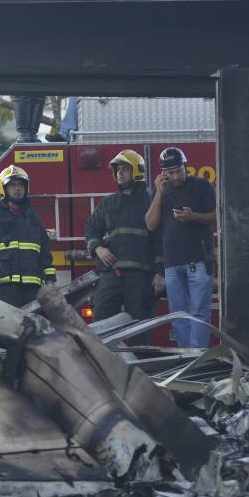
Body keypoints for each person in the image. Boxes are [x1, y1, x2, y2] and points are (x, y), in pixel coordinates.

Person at [84, 150, 165, 331]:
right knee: (100, 324)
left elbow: (160, 238)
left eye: (125, 169)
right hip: (112, 275)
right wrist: (98, 249)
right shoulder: (109, 203)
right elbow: (91, 229)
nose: (119, 173)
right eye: (118, 169)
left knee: (138, 329)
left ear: (137, 171)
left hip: (141, 277)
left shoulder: (151, 199)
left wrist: (160, 272)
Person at [145, 147, 216, 348]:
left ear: (186, 166)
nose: (176, 176)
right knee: (178, 316)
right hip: (172, 264)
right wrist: (159, 193)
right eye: (171, 172)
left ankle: (198, 358)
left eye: (179, 170)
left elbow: (218, 216)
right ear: (163, 173)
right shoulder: (162, 192)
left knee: (199, 313)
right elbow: (150, 224)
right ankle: (185, 359)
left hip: (199, 261)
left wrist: (194, 216)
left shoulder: (201, 186)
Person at [0, 165, 55, 307]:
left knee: (33, 327)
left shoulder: (33, 217)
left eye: (20, 185)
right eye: (12, 185)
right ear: (3, 188)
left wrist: (50, 281)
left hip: (33, 288)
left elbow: (45, 252)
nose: (18, 189)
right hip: (5, 288)